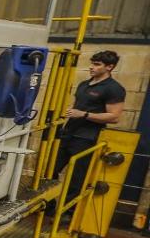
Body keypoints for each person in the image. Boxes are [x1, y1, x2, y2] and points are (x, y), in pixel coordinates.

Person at [52, 51, 125, 203]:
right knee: (50, 168)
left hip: (86, 138)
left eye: (97, 65)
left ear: (110, 67)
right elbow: (76, 105)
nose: (91, 67)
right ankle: (49, 206)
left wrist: (83, 114)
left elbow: (114, 117)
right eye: (92, 63)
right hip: (68, 133)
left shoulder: (113, 88)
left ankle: (67, 212)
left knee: (76, 177)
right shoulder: (84, 84)